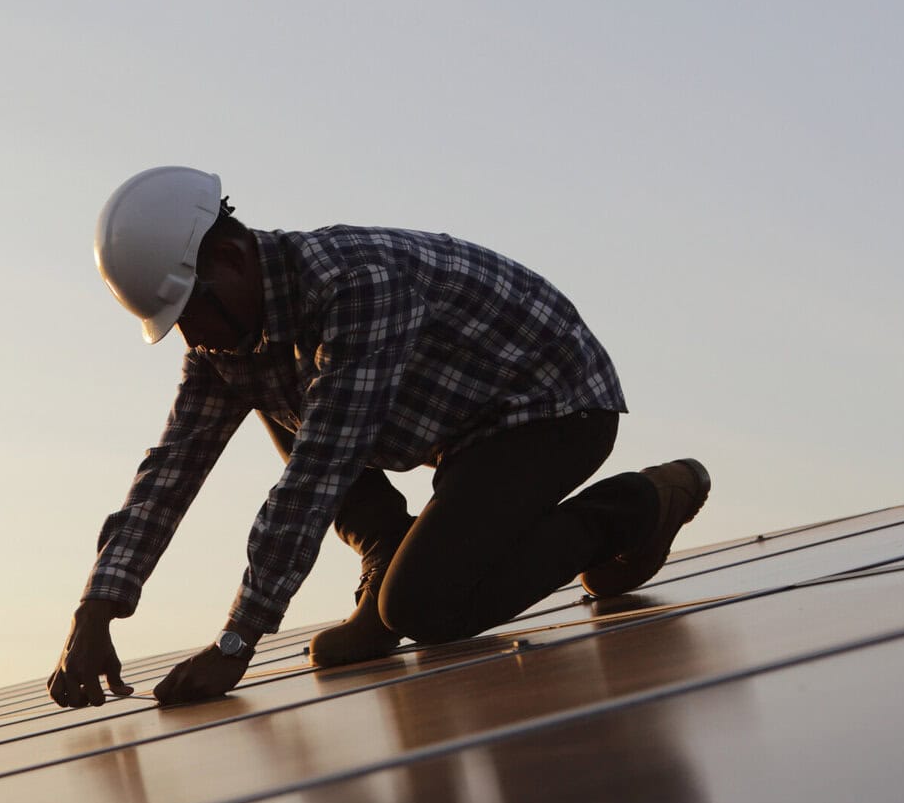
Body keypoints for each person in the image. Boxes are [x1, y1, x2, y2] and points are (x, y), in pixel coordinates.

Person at [48, 166, 708, 709]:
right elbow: (170, 472)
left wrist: (236, 642)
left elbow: (320, 470)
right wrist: (94, 613)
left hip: (551, 409)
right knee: (273, 389)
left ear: (229, 256)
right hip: (452, 427)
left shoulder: (354, 285)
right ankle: (386, 553)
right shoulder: (230, 340)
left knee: (426, 606)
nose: (193, 339)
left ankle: (640, 507)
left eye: (190, 311)